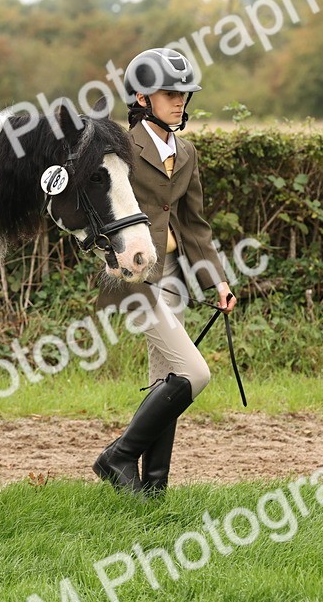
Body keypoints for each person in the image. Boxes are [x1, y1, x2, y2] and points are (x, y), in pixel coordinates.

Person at [92, 47, 237, 496]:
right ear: (141, 97)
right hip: (132, 275)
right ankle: (116, 457)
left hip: (172, 274)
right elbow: (101, 210)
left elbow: (194, 225)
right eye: (169, 93)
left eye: (184, 94)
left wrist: (218, 279)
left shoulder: (187, 152)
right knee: (195, 374)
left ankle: (153, 488)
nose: (179, 101)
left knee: (166, 379)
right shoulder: (119, 147)